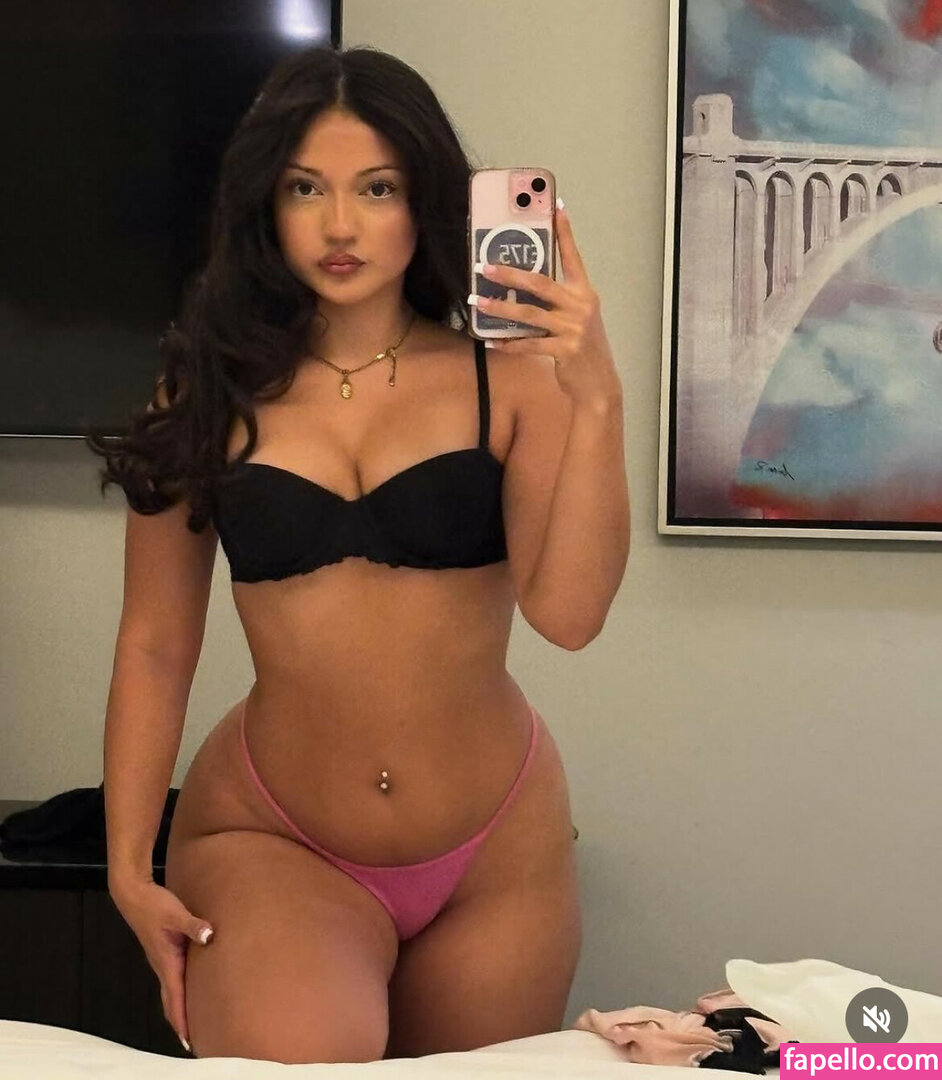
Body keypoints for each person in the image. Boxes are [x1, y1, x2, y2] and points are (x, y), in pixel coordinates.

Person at [87, 44, 629, 1065]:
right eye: (307, 188)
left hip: (497, 852)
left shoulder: (508, 379)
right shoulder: (205, 392)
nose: (340, 226)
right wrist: (125, 865)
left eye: (376, 188)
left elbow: (569, 616)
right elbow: (156, 643)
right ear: (266, 204)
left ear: (422, 200)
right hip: (274, 836)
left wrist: (598, 402)